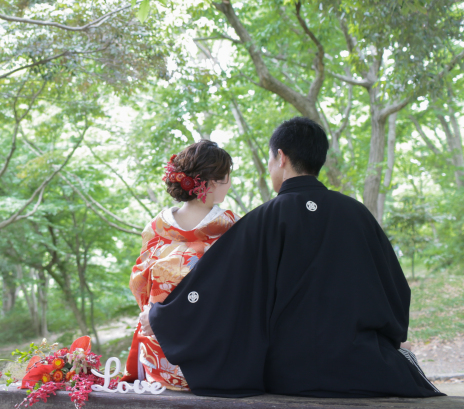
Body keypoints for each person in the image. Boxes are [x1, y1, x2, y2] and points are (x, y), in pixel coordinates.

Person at [141, 117, 442, 398]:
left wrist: (162, 317)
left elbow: (216, 290)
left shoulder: (261, 222)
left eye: (271, 160)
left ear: (281, 158)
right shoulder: (357, 214)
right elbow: (397, 292)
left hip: (289, 374)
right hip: (365, 368)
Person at [122, 139, 239, 390]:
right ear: (210, 183)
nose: (229, 184)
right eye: (227, 177)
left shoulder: (156, 228)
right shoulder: (233, 228)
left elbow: (139, 285)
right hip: (215, 352)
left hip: (158, 350)